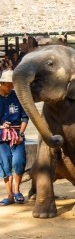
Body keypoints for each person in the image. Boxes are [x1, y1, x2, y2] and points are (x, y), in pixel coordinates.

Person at [0, 70, 29, 206]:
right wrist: (1, 125)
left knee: (19, 161)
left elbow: (25, 117)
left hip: (17, 135)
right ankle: (9, 195)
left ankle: (17, 191)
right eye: (8, 85)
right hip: (1, 136)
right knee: (5, 164)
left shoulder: (17, 97)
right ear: (1, 84)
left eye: (12, 85)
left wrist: (21, 134)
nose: (10, 88)